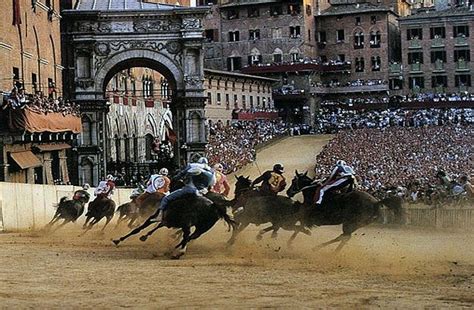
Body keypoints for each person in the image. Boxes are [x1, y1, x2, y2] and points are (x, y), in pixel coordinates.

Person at [152, 157, 216, 223]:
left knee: (166, 198)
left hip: (190, 189)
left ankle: (159, 216)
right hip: (202, 192)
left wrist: (175, 178)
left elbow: (181, 174)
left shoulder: (192, 165)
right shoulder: (211, 171)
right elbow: (212, 183)